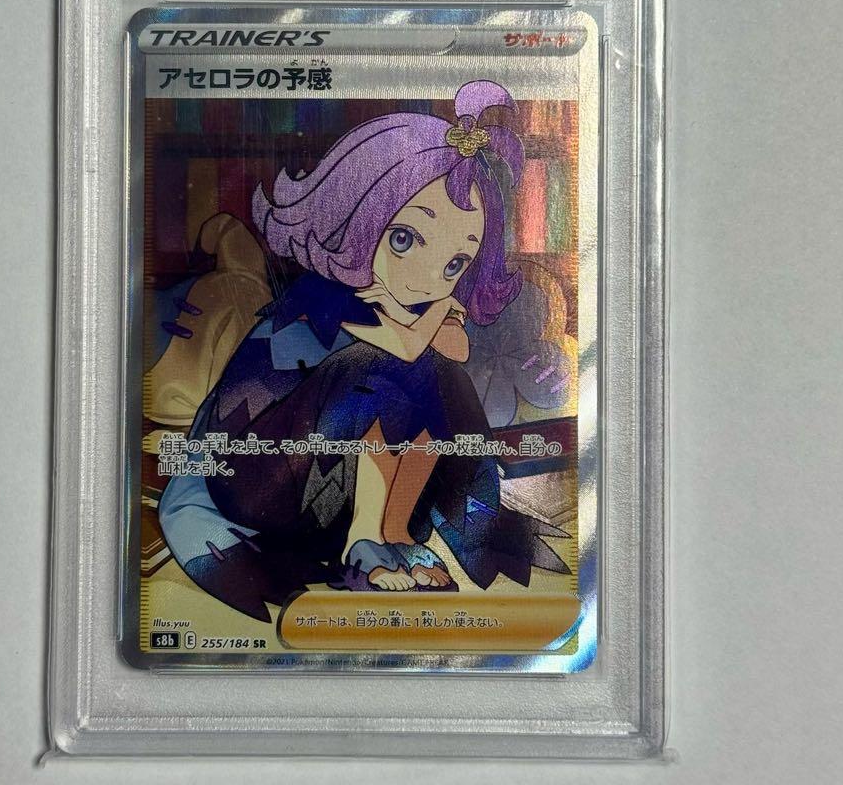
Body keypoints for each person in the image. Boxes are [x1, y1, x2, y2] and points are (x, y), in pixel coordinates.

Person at [157, 80, 569, 621]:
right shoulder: (324, 297)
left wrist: (440, 323)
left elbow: (454, 351)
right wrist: (437, 317)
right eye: (404, 239)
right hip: (257, 483)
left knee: (436, 376)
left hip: (331, 491)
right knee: (377, 368)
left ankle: (395, 535)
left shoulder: (412, 306)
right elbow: (400, 349)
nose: (424, 279)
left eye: (454, 264)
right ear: (358, 214)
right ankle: (365, 542)